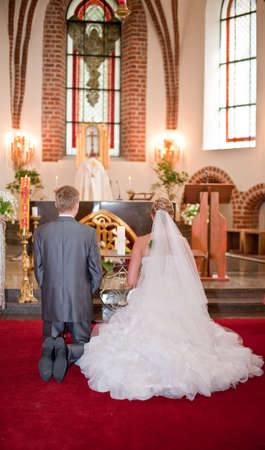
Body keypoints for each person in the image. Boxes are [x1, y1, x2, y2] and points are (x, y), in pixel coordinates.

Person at [78, 198, 263, 400]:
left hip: (150, 301)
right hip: (178, 300)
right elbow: (191, 276)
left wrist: (145, 279)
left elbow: (131, 281)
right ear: (172, 216)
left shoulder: (141, 242)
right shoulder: (182, 243)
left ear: (151, 216)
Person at [34, 185, 102, 383]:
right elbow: (96, 272)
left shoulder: (41, 232)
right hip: (79, 302)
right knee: (85, 344)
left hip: (52, 299)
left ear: (56, 204)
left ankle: (54, 344)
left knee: (52, 334)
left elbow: (38, 268)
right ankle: (70, 349)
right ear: (77, 205)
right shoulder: (87, 233)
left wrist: (48, 290)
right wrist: (84, 293)